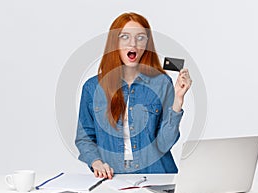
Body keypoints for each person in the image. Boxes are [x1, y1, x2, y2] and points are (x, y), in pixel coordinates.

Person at [75, 12, 192, 179]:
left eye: (140, 38)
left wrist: (178, 101)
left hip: (157, 176)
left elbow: (164, 144)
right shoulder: (92, 88)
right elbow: (84, 138)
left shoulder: (161, 82)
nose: (133, 44)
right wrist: (96, 162)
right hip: (114, 178)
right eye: (125, 37)